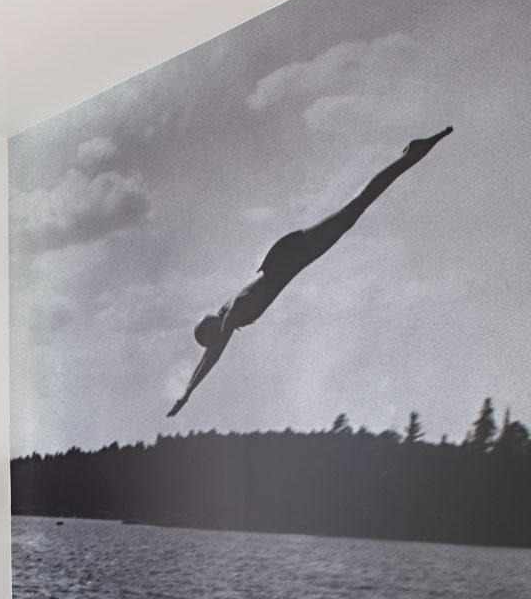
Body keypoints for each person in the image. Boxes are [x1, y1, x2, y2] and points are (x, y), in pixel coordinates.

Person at [166, 127, 453, 417]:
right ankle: (409, 157)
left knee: (355, 208)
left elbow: (212, 358)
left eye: (213, 338)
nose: (217, 342)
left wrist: (188, 393)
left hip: (291, 256)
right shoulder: (228, 309)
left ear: (214, 331)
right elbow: (208, 356)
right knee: (353, 210)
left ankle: (412, 155)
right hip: (284, 255)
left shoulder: (233, 314)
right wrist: (187, 388)